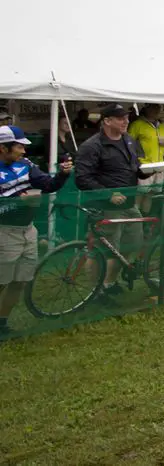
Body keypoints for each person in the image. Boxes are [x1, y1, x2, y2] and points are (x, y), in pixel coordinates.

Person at [74, 103, 153, 298]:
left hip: (129, 203)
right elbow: (82, 178)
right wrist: (108, 194)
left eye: (127, 117)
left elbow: (134, 167)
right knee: (103, 251)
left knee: (131, 245)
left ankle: (109, 283)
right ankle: (95, 292)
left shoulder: (129, 140)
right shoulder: (92, 146)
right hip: (105, 206)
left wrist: (146, 172)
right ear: (106, 121)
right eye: (120, 118)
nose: (126, 121)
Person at [0, 126, 73, 336]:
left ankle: (2, 324)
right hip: (4, 231)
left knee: (20, 280)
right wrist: (17, 201)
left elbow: (47, 185)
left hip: (28, 230)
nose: (24, 151)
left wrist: (62, 174)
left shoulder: (25, 164)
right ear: (3, 147)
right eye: (19, 146)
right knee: (1, 281)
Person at [127, 104, 164, 215]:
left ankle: (145, 218)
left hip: (160, 165)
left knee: (151, 193)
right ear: (146, 109)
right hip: (144, 165)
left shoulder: (161, 126)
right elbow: (129, 142)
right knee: (140, 193)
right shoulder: (137, 125)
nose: (157, 110)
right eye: (153, 108)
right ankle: (135, 217)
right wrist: (137, 158)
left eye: (158, 108)